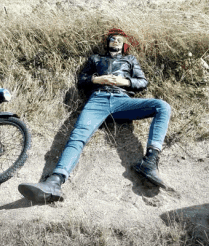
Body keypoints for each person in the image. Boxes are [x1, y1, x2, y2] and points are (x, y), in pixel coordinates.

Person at [18, 29, 171, 203]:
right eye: (112, 39)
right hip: (97, 101)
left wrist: (125, 82)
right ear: (107, 43)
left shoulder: (130, 60)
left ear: (124, 45)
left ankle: (150, 161)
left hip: (122, 101)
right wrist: (96, 80)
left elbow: (142, 82)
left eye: (119, 39)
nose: (115, 41)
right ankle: (54, 182)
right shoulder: (95, 59)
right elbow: (81, 80)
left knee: (162, 106)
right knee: (77, 137)